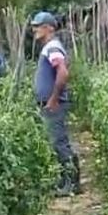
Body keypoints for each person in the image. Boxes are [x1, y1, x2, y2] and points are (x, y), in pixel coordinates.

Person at [31, 11, 80, 196]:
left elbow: (63, 72)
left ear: (50, 28)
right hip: (51, 103)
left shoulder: (52, 47)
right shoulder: (50, 47)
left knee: (59, 142)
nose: (34, 29)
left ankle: (72, 184)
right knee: (56, 142)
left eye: (38, 26)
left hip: (55, 104)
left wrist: (53, 99)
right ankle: (65, 180)